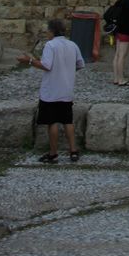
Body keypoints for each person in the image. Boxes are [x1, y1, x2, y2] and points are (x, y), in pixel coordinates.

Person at [18, 19, 85, 163]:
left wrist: (29, 61)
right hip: (66, 89)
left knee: (52, 122)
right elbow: (80, 64)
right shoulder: (72, 44)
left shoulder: (50, 45)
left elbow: (46, 65)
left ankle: (53, 153)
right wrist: (67, 71)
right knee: (68, 120)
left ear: (51, 31)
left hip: (51, 91)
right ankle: (73, 151)